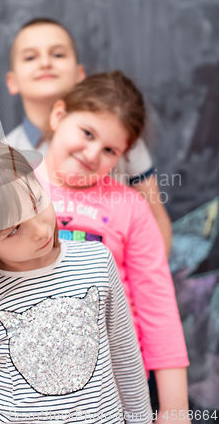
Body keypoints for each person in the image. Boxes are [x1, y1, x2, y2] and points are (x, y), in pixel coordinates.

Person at [0, 128, 152, 424]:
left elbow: (125, 359)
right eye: (13, 230)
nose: (40, 231)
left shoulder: (97, 261)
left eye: (37, 201)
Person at [37, 72, 189, 422]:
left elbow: (158, 308)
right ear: (59, 115)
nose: (92, 154)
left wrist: (175, 410)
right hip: (25, 389)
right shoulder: (12, 190)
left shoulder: (131, 209)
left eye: (110, 150)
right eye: (87, 133)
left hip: (114, 392)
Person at [5, 18, 172, 255]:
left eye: (58, 55)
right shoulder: (3, 155)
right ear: (12, 81)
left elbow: (156, 220)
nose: (44, 63)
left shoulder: (123, 142)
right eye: (30, 57)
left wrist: (150, 280)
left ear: (79, 73)